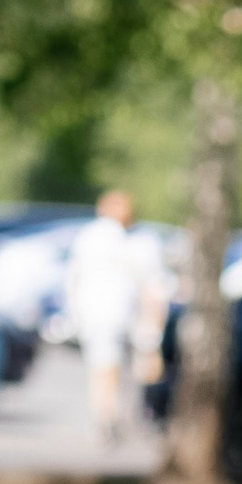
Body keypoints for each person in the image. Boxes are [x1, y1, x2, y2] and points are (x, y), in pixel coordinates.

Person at [64, 190, 168, 445]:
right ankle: (110, 416)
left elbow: (73, 279)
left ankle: (110, 415)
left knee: (108, 367)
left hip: (108, 315)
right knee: (111, 366)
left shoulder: (95, 237)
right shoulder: (126, 241)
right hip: (109, 315)